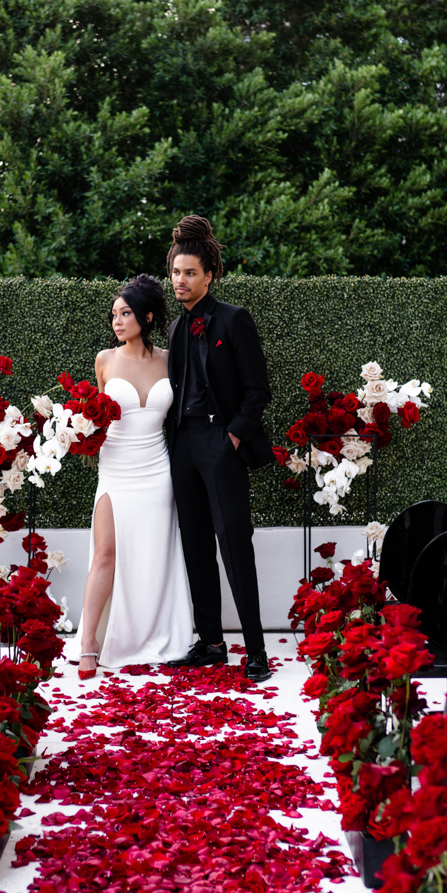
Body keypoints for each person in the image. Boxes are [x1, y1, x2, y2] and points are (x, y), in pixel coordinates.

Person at [164, 215, 274, 683]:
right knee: (194, 545)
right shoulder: (173, 328)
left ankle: (256, 651)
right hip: (183, 443)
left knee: (234, 543)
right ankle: (210, 643)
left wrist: (232, 435)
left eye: (190, 272)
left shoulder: (234, 319)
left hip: (219, 440)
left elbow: (258, 390)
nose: (181, 281)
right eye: (175, 273)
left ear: (209, 274)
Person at [73, 275, 194, 677]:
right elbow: (95, 417)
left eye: (125, 313)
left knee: (152, 557)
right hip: (116, 469)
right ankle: (90, 641)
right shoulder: (105, 360)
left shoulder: (169, 358)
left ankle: (150, 634)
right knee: (105, 552)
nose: (117, 322)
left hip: (158, 470)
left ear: (146, 315)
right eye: (113, 315)